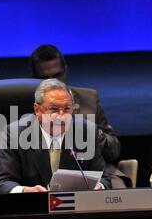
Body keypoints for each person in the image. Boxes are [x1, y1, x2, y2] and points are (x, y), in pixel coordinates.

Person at [30, 44, 129, 187]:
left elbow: (113, 151)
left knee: (117, 188)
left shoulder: (88, 99)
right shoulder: (29, 102)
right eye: (45, 78)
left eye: (57, 75)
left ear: (66, 71)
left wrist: (87, 129)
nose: (53, 82)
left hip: (92, 168)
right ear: (34, 78)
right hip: (44, 171)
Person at [0, 78, 111, 194]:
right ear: (37, 110)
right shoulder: (14, 134)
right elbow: (2, 182)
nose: (61, 116)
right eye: (54, 109)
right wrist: (25, 191)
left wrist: (98, 187)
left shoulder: (86, 131)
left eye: (67, 109)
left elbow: (104, 178)